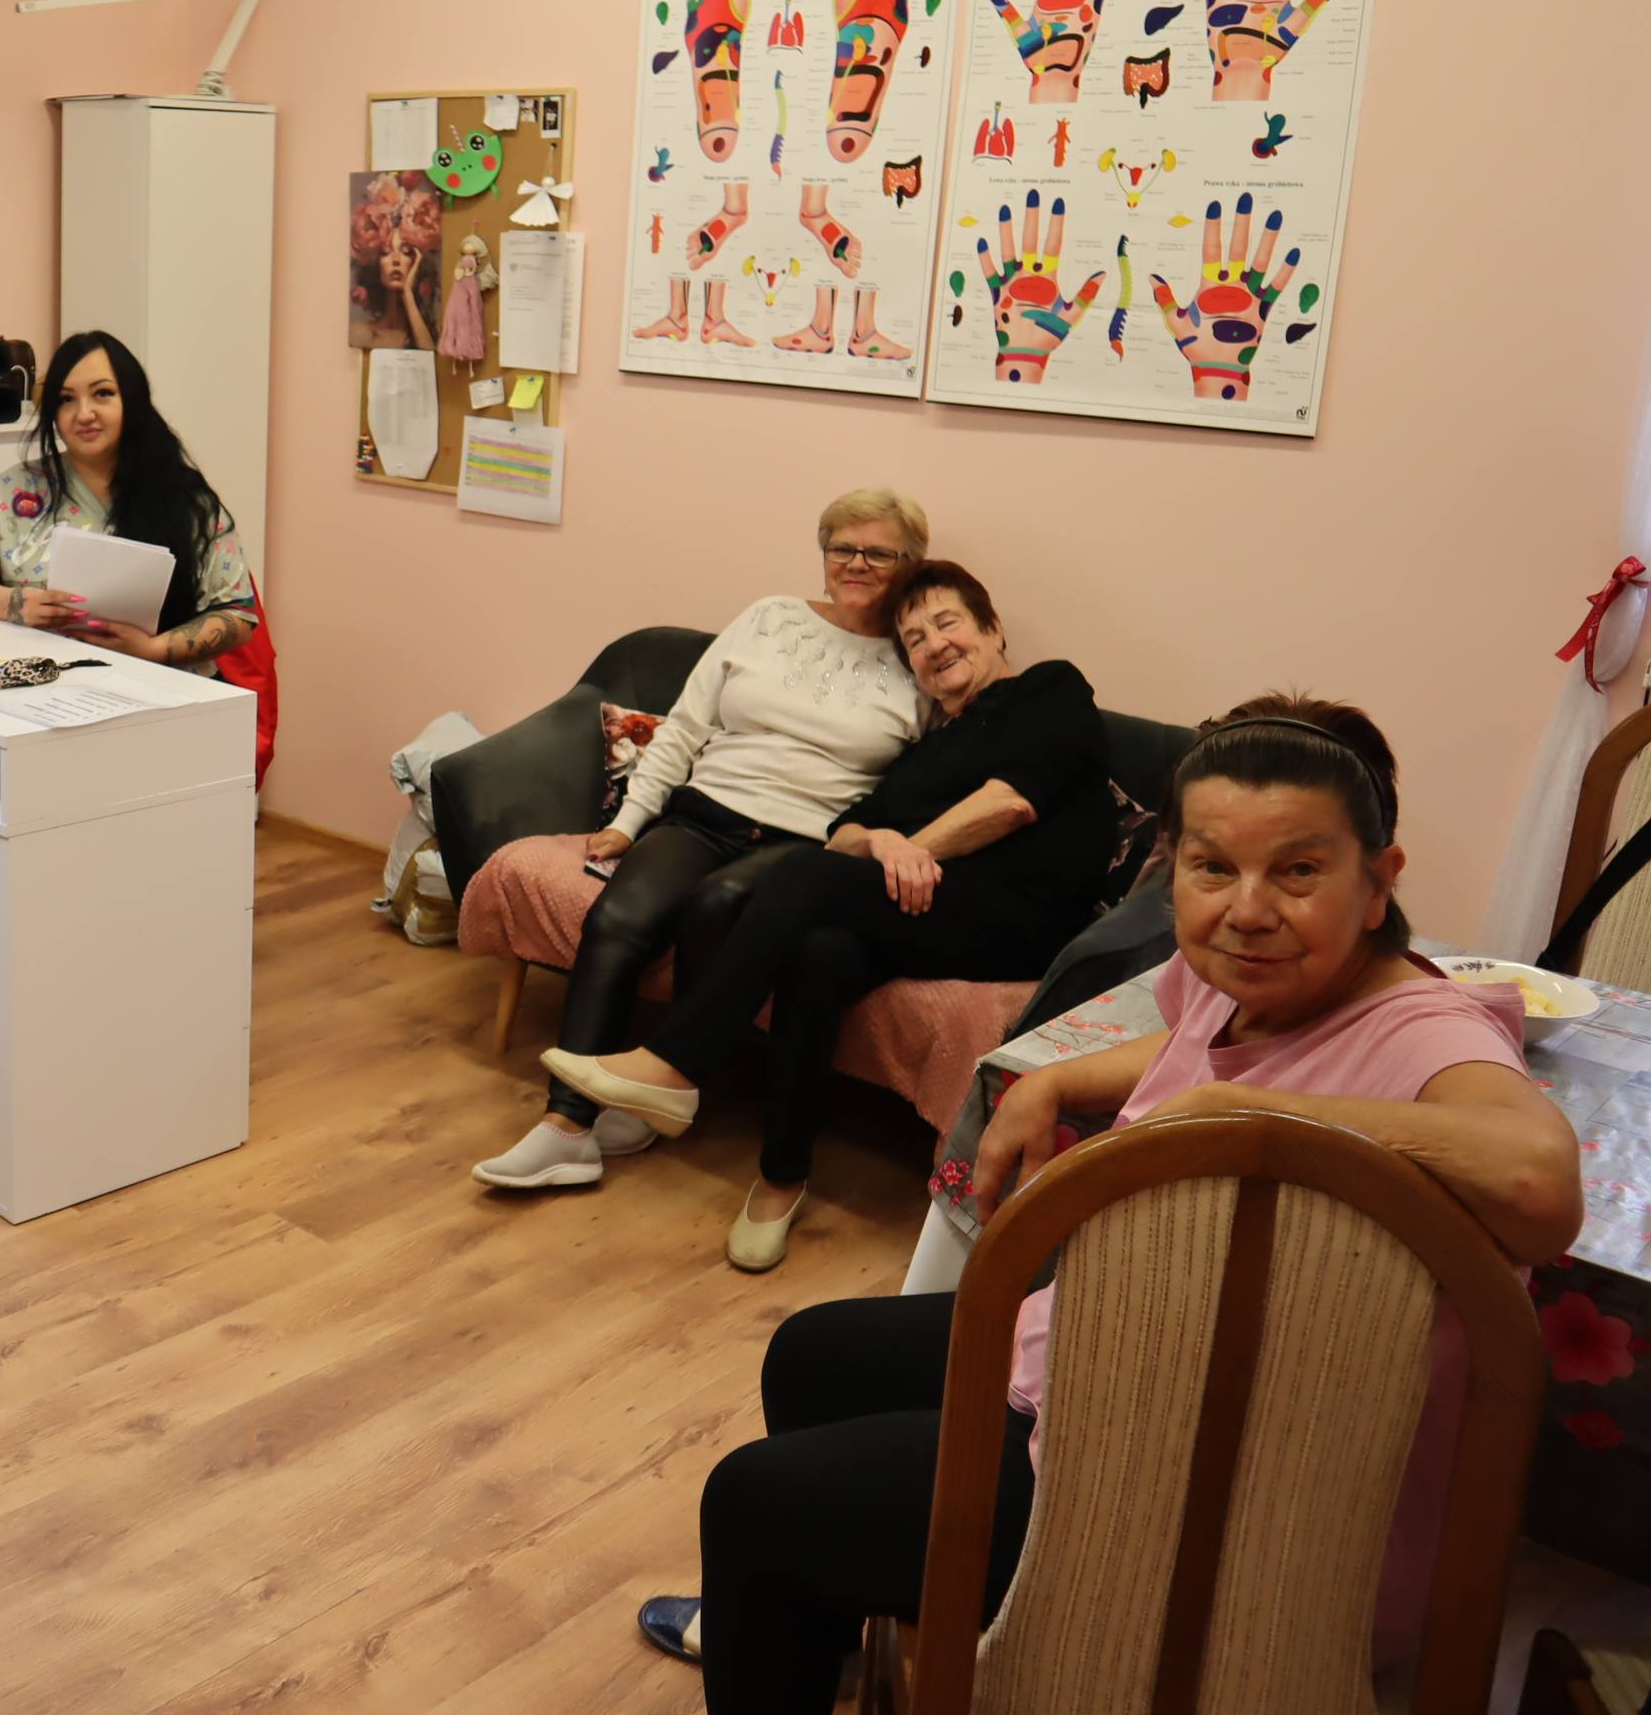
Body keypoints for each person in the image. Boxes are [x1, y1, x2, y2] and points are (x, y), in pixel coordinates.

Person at [632, 694, 1585, 1708]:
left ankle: (813, 1599)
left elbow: (1537, 1179)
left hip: (1224, 1500)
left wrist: (1251, 1118)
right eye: (1212, 867)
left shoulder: (1423, 1029)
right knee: (812, 1354)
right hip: (1136, 1368)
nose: (1248, 908)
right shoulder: (1246, 977)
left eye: (1299, 871)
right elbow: (1185, 1038)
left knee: (753, 1504)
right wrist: (1055, 1080)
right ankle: (813, 1629)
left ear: (1380, 880)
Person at [542, 561, 1112, 1268]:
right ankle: (782, 1177)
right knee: (819, 955)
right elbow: (846, 830)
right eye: (914, 640)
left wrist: (912, 847)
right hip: (932, 908)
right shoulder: (931, 744)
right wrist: (882, 842)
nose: (934, 645)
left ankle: (676, 1063)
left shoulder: (1049, 689)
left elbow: (1011, 802)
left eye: (947, 624)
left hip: (1027, 916)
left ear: (993, 629)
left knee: (801, 873)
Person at [471, 490, 930, 1191]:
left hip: (805, 843)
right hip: (705, 813)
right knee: (619, 917)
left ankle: (657, 1094)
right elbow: (684, 728)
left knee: (714, 905)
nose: (857, 563)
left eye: (879, 552)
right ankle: (566, 1127)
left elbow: (922, 782)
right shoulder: (768, 618)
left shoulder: (919, 660)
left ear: (910, 564)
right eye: (843, 547)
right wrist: (627, 823)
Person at [0, 331, 261, 672]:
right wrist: (13, 603)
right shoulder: (16, 488)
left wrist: (154, 649)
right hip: (39, 685)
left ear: (133, 400)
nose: (84, 413)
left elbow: (237, 616)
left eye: (103, 394)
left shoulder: (187, 497)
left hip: (162, 687)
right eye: (66, 399)